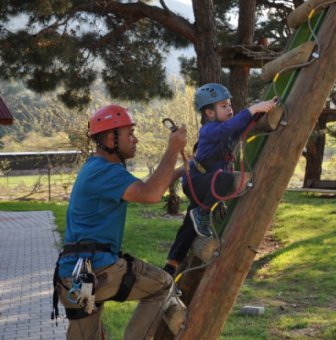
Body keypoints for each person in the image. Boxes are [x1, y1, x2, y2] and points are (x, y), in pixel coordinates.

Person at [52, 104, 188, 339]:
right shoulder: (105, 172)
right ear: (109, 137)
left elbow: (144, 187)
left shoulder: (98, 168)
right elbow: (150, 193)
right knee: (163, 285)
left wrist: (182, 170)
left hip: (72, 276)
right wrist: (174, 148)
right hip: (99, 268)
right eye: (129, 133)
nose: (135, 139)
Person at [162, 83, 276, 277]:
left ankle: (171, 264)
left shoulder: (226, 128)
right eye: (224, 106)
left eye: (230, 104)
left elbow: (241, 125)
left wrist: (263, 109)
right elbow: (229, 127)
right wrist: (252, 109)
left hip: (205, 181)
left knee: (189, 225)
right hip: (197, 180)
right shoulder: (209, 130)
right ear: (209, 113)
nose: (230, 109)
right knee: (225, 180)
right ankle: (203, 212)